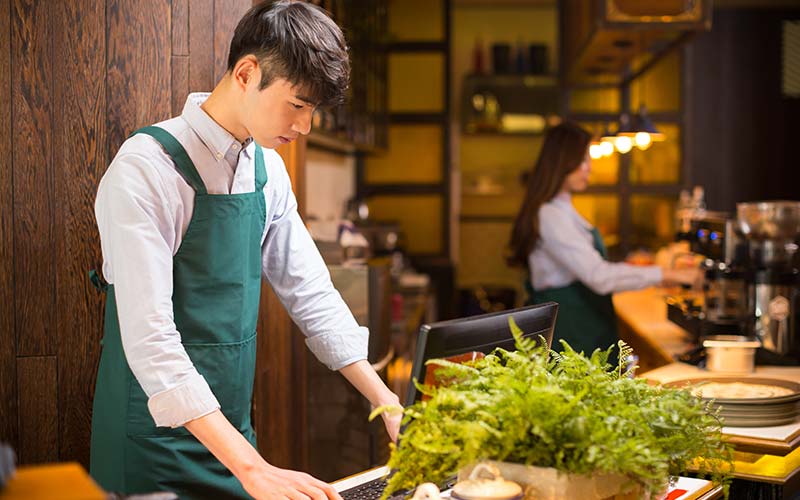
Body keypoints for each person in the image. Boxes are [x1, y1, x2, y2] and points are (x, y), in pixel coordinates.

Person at [89, 2, 400, 498]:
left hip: (232, 439)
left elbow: (311, 293)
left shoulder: (268, 171)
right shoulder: (146, 169)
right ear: (247, 73)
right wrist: (253, 469)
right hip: (151, 445)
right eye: (297, 105)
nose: (305, 127)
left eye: (314, 111)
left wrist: (387, 402)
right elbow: (151, 341)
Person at [507, 122, 700, 357]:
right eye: (582, 160)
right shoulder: (550, 215)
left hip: (580, 329)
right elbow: (599, 277)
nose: (589, 168)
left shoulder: (561, 209)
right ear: (562, 162)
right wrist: (669, 274)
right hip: (569, 334)